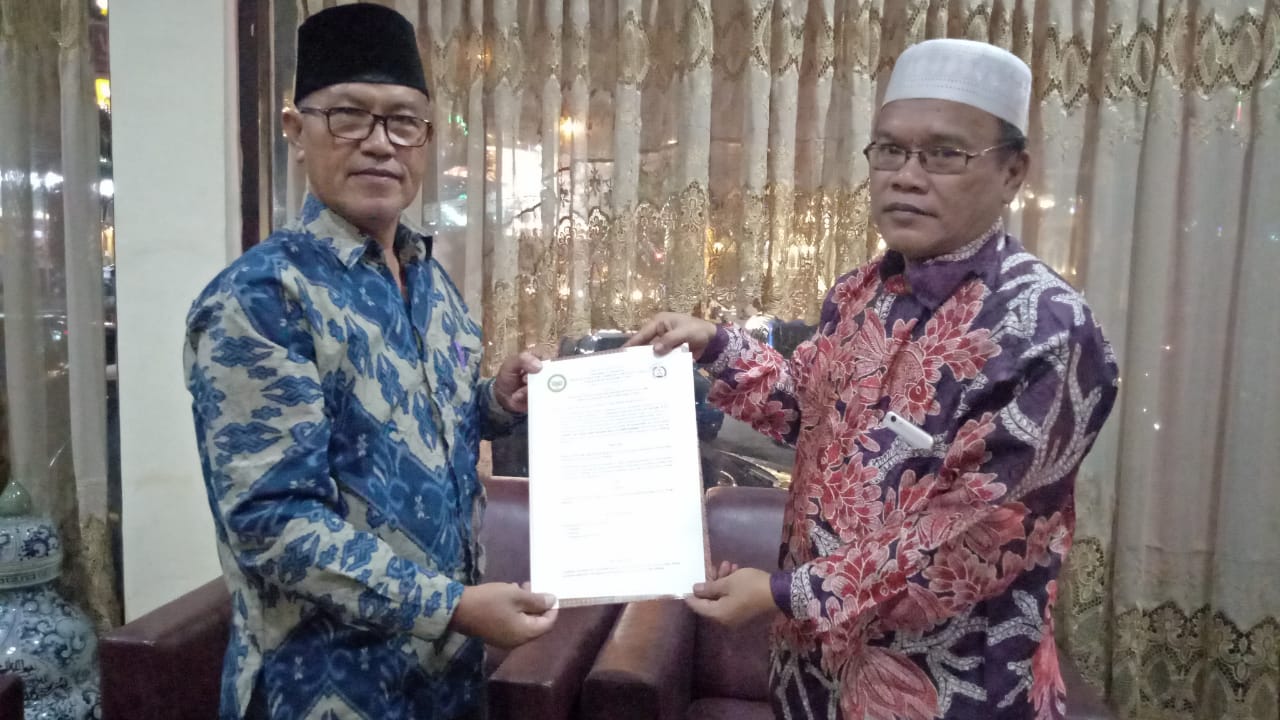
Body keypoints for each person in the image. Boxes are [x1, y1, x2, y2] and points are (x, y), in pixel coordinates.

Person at [628, 39, 1119, 719]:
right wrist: (714, 344)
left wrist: (782, 592)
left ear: (1012, 172)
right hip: (811, 676)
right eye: (889, 150)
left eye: (944, 154)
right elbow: (809, 411)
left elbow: (975, 538)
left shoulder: (1047, 330)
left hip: (949, 688)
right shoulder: (860, 292)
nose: (906, 177)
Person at [182, 5, 555, 719]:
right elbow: (273, 522)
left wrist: (493, 402)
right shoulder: (261, 298)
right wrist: (453, 606)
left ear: (427, 139)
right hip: (325, 689)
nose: (381, 143)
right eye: (349, 116)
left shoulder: (429, 281)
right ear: (297, 130)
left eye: (404, 121)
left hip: (444, 680)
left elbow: (409, 430)